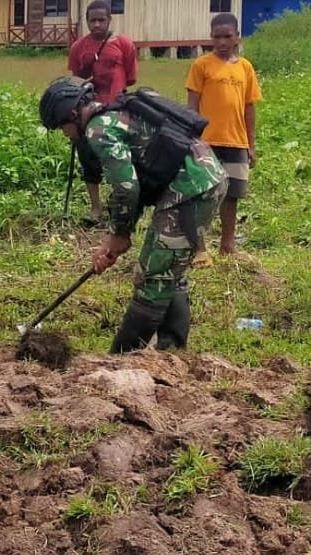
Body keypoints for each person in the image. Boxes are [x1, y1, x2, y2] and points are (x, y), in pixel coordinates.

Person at [39, 76, 225, 353]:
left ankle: (122, 357)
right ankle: (171, 351)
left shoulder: (98, 130)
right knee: (166, 268)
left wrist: (119, 233)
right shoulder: (116, 114)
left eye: (63, 128)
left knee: (154, 274)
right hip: (200, 179)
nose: (66, 135)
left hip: (192, 188)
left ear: (72, 115)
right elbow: (136, 181)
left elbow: (126, 187)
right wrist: (116, 238)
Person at [186, 13, 261, 257]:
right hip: (206, 141)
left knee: (232, 195)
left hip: (236, 140)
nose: (221, 42)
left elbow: (249, 107)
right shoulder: (202, 65)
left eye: (227, 36)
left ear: (237, 37)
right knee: (202, 194)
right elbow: (191, 107)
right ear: (211, 37)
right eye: (216, 37)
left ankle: (228, 245)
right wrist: (191, 138)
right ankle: (199, 247)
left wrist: (251, 144)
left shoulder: (245, 67)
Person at [67, 0, 138, 225]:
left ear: (110, 20)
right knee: (88, 159)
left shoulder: (123, 44)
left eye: (101, 20)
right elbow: (74, 81)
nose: (97, 25)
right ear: (86, 22)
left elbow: (131, 77)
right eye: (92, 20)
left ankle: (119, 205)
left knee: (120, 158)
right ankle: (95, 208)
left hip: (117, 110)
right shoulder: (78, 47)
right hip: (87, 113)